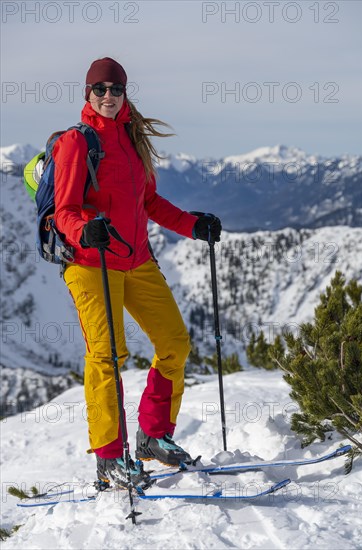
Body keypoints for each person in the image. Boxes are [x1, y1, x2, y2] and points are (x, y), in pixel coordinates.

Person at [53, 57, 221, 489]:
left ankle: (152, 436)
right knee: (107, 356)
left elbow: (149, 202)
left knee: (175, 344)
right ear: (87, 93)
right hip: (92, 263)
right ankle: (110, 458)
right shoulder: (76, 142)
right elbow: (64, 211)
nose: (108, 96)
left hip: (137, 260)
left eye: (116, 89)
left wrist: (191, 224)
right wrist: (84, 230)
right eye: (100, 89)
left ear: (126, 93)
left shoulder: (131, 140)